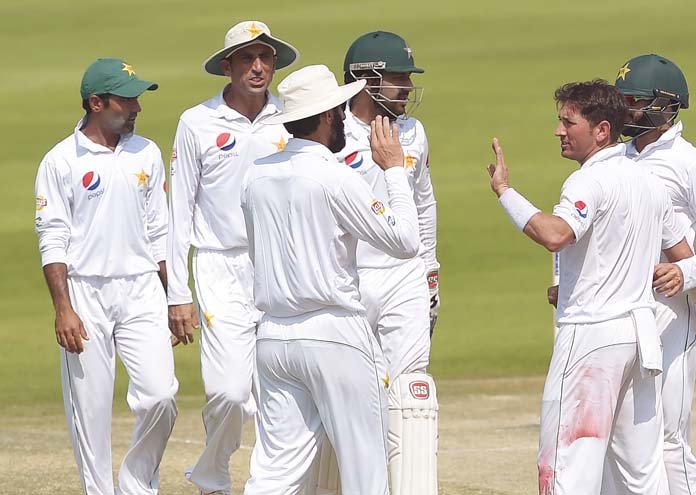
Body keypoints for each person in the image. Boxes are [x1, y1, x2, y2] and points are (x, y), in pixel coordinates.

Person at [486, 80, 696, 495]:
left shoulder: (588, 181)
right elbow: (682, 253)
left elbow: (556, 235)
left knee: (565, 466)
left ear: (602, 130)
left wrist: (504, 192)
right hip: (640, 339)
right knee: (641, 474)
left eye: (568, 122)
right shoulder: (648, 181)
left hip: (590, 338)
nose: (558, 131)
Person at [240, 64, 420, 495]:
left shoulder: (255, 174)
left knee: (274, 473)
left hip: (273, 338)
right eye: (338, 111)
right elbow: (405, 240)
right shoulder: (336, 176)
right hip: (332, 332)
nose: (342, 118)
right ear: (326, 117)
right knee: (365, 469)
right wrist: (395, 170)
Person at [166, 21, 298, 494]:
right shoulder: (196, 122)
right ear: (227, 66)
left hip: (281, 265)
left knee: (278, 391)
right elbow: (178, 210)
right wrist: (176, 294)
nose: (258, 67)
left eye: (265, 57)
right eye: (247, 58)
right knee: (230, 392)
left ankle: (269, 484)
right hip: (220, 266)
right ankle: (212, 471)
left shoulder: (292, 115)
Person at [34, 58, 177, 495]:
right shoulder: (61, 161)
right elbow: (52, 236)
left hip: (141, 289)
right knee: (90, 413)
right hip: (85, 292)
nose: (136, 108)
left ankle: (136, 485)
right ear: (96, 103)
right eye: (126, 100)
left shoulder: (147, 152)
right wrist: (64, 308)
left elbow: (160, 231)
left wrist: (175, 298)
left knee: (161, 396)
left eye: (136, 99)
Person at [614, 53, 696, 495]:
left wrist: (685, 273)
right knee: (626, 429)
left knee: (668, 433)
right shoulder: (615, 156)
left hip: (673, 312)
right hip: (620, 307)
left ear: (666, 106)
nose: (625, 110)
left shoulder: (691, 164)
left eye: (635, 101)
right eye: (622, 100)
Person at [325, 30, 438, 494]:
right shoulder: (332, 132)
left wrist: (430, 272)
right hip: (347, 279)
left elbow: (424, 203)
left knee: (410, 390)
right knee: (356, 393)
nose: (407, 89)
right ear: (365, 79)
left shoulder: (414, 131)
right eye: (398, 79)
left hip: (403, 277)